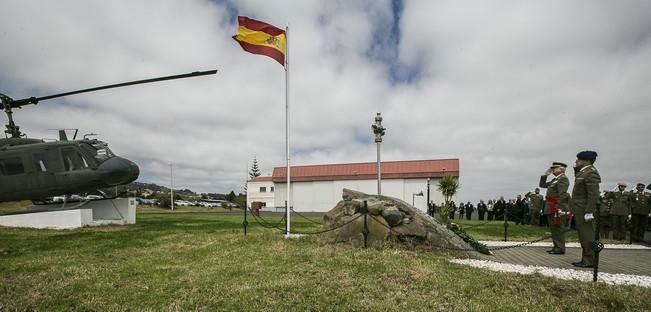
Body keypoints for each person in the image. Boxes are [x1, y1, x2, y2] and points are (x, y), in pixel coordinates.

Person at [570, 151, 601, 268]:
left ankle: (589, 260)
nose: (576, 161)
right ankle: (586, 258)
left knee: (587, 236)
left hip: (584, 210)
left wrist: (589, 211)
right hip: (580, 209)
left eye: (579, 160)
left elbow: (593, 194)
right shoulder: (583, 172)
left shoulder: (591, 173)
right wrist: (576, 169)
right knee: (583, 236)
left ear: (587, 161)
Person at [539, 161, 570, 255]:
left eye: (554, 168)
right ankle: (556, 246)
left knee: (558, 228)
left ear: (561, 169)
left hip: (556, 206)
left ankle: (560, 248)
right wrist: (545, 175)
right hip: (550, 206)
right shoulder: (554, 180)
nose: (552, 169)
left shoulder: (563, 179)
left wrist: (559, 208)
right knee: (553, 228)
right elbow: (542, 185)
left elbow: (562, 195)